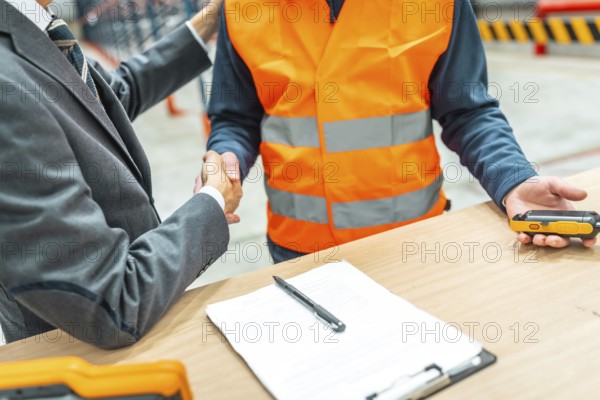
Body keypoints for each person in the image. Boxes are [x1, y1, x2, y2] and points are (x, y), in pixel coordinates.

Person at [207, 0, 596, 263]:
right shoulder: (243, 8)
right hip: (299, 252)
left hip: (415, 246)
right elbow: (235, 119)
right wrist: (225, 160)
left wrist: (512, 180)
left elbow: (467, 111)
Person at [0, 0, 241, 348]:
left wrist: (206, 24)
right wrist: (213, 200)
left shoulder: (34, 28)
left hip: (144, 326)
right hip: (85, 358)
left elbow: (108, 97)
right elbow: (111, 302)